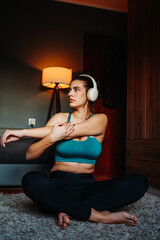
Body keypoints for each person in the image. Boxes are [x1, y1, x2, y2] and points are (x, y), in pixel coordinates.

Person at [1, 74, 148, 230]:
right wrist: (51, 138)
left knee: (139, 183)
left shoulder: (100, 119)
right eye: (70, 90)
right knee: (30, 180)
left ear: (91, 94)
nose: (70, 94)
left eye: (76, 89)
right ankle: (98, 216)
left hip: (88, 187)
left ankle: (68, 209)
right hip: (58, 185)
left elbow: (69, 131)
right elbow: (30, 154)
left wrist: (22, 132)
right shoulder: (59, 118)